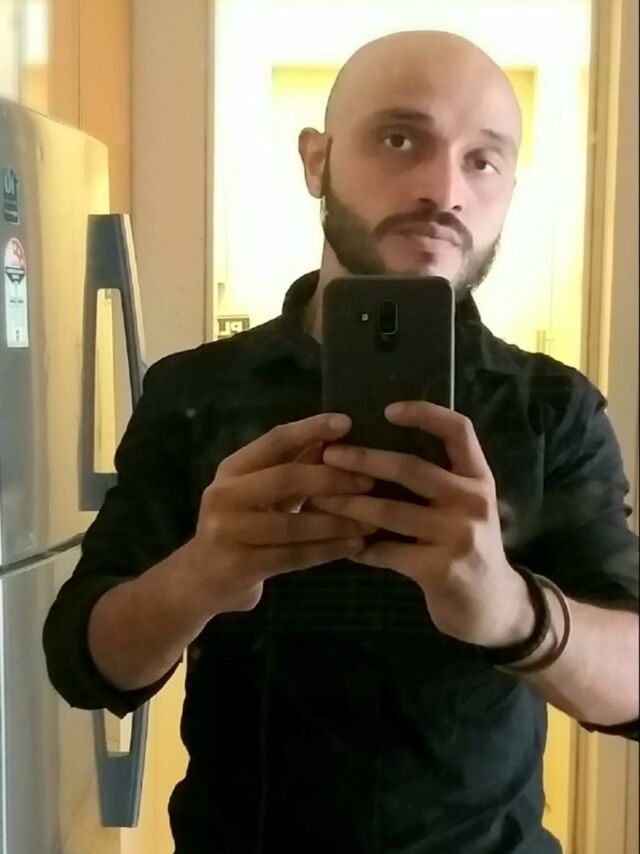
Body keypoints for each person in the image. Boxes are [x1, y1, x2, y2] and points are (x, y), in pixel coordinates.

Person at [43, 31, 639, 853]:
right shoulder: (196, 392)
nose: (443, 189)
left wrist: (514, 610)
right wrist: (201, 576)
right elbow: (82, 663)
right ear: (316, 160)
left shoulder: (551, 409)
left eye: (483, 161)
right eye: (400, 139)